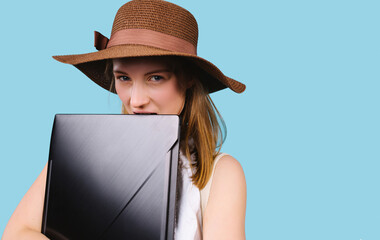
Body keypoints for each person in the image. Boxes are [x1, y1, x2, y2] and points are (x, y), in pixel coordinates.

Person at [2, 0, 247, 239]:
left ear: (188, 78)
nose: (136, 100)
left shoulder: (220, 174)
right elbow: (15, 233)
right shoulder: (78, 154)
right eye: (124, 78)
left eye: (156, 78)